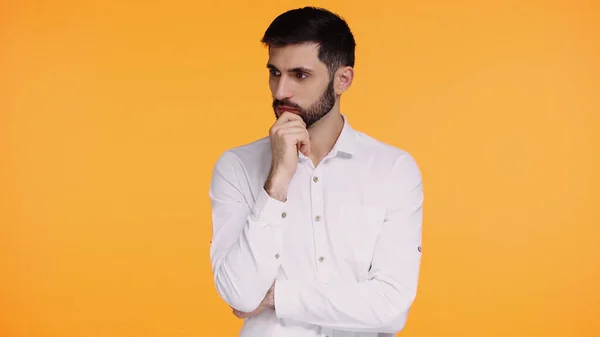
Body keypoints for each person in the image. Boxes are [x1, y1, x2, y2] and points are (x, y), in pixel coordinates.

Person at [208, 6, 424, 337]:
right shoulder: (237, 167)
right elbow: (238, 293)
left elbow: (390, 306)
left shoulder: (392, 169)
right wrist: (278, 179)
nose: (281, 92)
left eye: (300, 75)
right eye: (275, 73)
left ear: (343, 79)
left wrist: (276, 297)